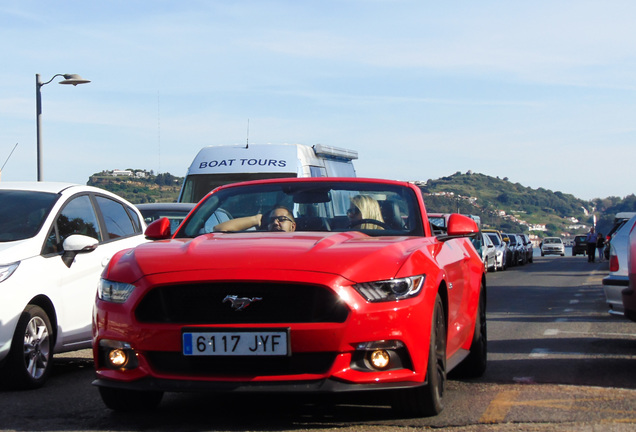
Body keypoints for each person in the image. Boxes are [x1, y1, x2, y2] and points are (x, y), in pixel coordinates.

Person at [213, 206, 296, 232]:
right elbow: (219, 229)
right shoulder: (259, 242)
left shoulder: (301, 244)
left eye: (281, 219)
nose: (275, 223)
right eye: (271, 220)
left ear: (293, 226)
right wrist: (256, 219)